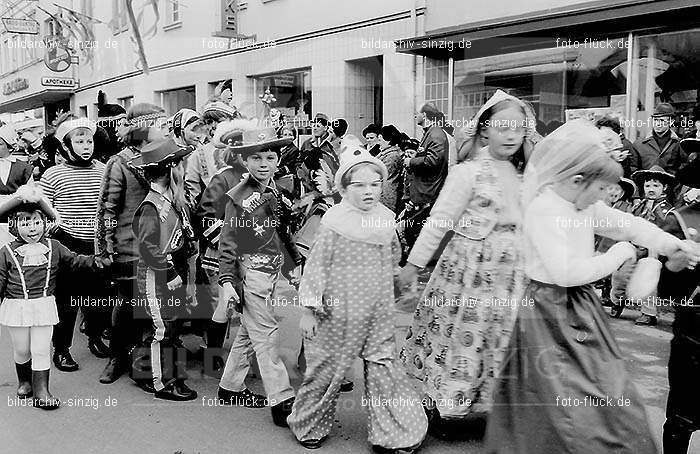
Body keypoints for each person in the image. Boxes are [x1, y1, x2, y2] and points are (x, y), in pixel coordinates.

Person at [485, 119, 700, 454]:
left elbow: (626, 223)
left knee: (603, 394)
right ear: (576, 179)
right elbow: (565, 273)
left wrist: (669, 242)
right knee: (563, 404)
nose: (606, 197)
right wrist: (618, 255)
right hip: (548, 313)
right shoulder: (545, 210)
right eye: (601, 189)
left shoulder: (582, 202)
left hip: (580, 309)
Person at [398, 90, 538, 436]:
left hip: (513, 274)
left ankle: (494, 407)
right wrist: (413, 266)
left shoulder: (529, 175)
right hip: (468, 270)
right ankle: (444, 407)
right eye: (502, 127)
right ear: (484, 130)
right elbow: (439, 221)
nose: (510, 135)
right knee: (461, 337)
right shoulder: (468, 173)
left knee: (500, 338)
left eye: (517, 129)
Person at [287, 147, 428, 452]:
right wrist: (309, 310)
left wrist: (403, 285)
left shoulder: (385, 220)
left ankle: (395, 433)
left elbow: (392, 261)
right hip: (338, 312)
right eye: (359, 185)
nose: (368, 191)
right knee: (327, 370)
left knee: (384, 370)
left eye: (375, 184)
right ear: (344, 187)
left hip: (378, 312)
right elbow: (316, 266)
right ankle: (308, 425)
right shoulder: (333, 223)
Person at [216, 127, 302, 426]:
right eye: (256, 157)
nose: (264, 163)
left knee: (248, 333)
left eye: (270, 156)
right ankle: (282, 400)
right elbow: (226, 243)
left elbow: (282, 233)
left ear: (278, 160)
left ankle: (230, 387)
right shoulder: (237, 198)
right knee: (266, 335)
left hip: (273, 271)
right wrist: (226, 282)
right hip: (251, 274)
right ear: (244, 160)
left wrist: (295, 266)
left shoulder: (275, 191)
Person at [0, 185, 108, 409]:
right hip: (17, 307)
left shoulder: (54, 246)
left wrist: (99, 261)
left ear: (45, 224)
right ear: (14, 225)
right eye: (26, 223)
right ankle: (24, 381)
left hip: (44, 306)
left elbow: (76, 260)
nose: (32, 228)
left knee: (40, 348)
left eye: (37, 222)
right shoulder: (6, 252)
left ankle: (42, 391)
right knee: (22, 349)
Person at [95, 103, 168, 385]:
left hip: (160, 246)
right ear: (142, 128)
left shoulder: (167, 156)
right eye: (157, 124)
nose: (163, 129)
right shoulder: (120, 162)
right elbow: (107, 209)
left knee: (153, 309)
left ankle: (145, 366)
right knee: (128, 305)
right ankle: (117, 357)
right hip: (129, 247)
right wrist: (105, 249)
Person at [129, 137, 197, 401]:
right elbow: (149, 248)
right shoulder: (150, 207)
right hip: (156, 278)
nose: (184, 168)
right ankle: (161, 383)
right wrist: (169, 274)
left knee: (171, 327)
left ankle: (155, 373)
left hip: (172, 272)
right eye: (181, 163)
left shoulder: (172, 200)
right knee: (162, 331)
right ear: (171, 169)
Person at [40, 118, 111, 372]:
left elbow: (109, 205)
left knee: (100, 296)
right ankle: (62, 350)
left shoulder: (103, 170)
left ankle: (95, 338)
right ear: (66, 146)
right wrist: (50, 228)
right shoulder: (52, 174)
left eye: (89, 140)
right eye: (79, 141)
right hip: (67, 243)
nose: (86, 146)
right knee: (67, 301)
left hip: (97, 243)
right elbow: (43, 209)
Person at [190, 120, 250, 372]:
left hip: (251, 256)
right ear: (234, 153)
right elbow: (206, 216)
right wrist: (228, 244)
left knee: (247, 303)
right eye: (246, 152)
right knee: (222, 303)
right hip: (220, 254)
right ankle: (211, 353)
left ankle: (242, 352)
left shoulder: (260, 178)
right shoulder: (223, 178)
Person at [655, 160, 700, 454]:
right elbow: (664, 289)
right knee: (682, 417)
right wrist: (674, 267)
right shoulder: (681, 222)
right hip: (694, 333)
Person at [609, 165, 676, 324]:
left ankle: (649, 312)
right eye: (647, 185)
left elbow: (667, 235)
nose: (651, 189)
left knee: (650, 267)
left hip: (657, 252)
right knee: (620, 267)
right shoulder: (638, 206)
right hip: (636, 247)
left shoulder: (668, 211)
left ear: (664, 187)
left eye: (656, 185)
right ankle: (618, 300)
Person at [398, 103, 449, 263]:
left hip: (428, 192)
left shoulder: (436, 135)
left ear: (425, 115)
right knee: (414, 231)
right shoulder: (430, 133)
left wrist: (411, 161)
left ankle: (421, 265)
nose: (415, 116)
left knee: (417, 231)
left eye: (417, 113)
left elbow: (433, 160)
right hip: (423, 192)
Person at [185, 102, 237, 210]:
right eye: (209, 122)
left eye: (219, 121)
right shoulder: (198, 155)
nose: (213, 126)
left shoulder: (242, 147)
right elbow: (193, 193)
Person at [629, 103, 685, 174]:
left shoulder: (679, 144)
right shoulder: (639, 144)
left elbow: (683, 168)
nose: (658, 124)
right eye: (655, 120)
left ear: (671, 122)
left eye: (662, 120)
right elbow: (633, 169)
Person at [0, 123, 34, 211]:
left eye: (0, 144)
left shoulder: (24, 168)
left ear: (9, 146)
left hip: (18, 213)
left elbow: (31, 194)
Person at [375, 125, 404, 214]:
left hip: (386, 196)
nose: (378, 143)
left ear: (388, 141)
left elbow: (380, 173)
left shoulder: (392, 156)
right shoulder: (385, 154)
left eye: (380, 140)